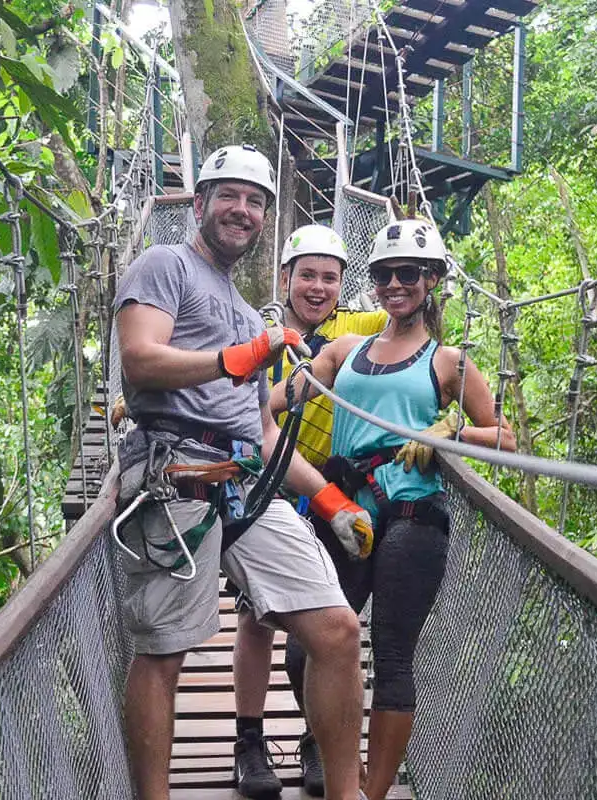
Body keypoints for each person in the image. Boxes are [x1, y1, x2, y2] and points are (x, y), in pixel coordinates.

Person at [110, 145, 376, 800]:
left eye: (256, 200)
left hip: (243, 482)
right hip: (174, 478)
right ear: (199, 204)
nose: (243, 209)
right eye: (229, 195)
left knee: (338, 632)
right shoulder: (164, 264)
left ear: (263, 221)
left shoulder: (235, 304)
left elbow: (263, 431)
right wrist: (239, 357)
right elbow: (140, 362)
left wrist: (332, 502)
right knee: (163, 652)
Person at [293, 218, 514, 800]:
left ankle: (371, 793)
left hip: (414, 513)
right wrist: (228, 376)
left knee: (391, 655)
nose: (396, 284)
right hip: (345, 512)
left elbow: (508, 439)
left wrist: (452, 431)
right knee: (304, 649)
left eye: (408, 273)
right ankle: (340, 759)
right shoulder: (343, 350)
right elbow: (283, 396)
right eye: (385, 274)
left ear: (431, 279)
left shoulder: (449, 361)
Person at [228, 224, 387, 797]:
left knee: (324, 620)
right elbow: (218, 384)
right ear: (285, 278)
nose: (318, 287)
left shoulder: (358, 327)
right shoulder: (260, 332)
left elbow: (410, 318)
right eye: (308, 276)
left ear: (343, 285)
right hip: (265, 483)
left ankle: (316, 740)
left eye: (330, 277)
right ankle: (249, 741)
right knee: (255, 614)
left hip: (329, 485)